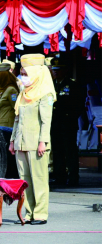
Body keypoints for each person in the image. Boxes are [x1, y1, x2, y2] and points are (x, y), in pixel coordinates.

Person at [9, 53, 56, 225]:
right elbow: (16, 118)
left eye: (26, 74)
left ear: (36, 74)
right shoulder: (24, 93)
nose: (23, 77)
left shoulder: (45, 94)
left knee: (39, 179)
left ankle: (40, 214)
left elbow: (46, 121)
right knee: (24, 180)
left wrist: (43, 141)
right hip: (22, 142)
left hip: (37, 143)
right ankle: (28, 213)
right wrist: (13, 141)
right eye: (22, 74)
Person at [50, 57, 80, 185]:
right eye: (54, 70)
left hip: (68, 124)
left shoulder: (72, 85)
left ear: (65, 70)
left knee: (70, 152)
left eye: (59, 69)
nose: (56, 72)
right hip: (55, 124)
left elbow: (78, 106)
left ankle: (73, 177)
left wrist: (70, 118)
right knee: (57, 151)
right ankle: (59, 176)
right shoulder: (52, 85)